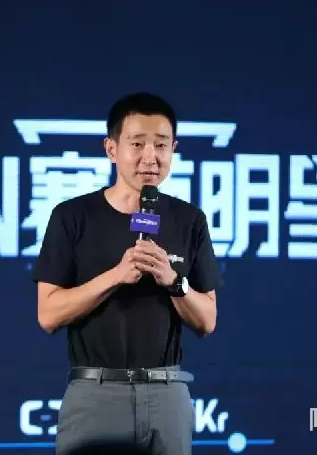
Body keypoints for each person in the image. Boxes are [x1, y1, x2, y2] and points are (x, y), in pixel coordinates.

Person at [32, 92, 222, 455]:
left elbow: (208, 320)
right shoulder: (73, 217)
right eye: (137, 144)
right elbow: (48, 314)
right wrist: (116, 276)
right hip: (96, 393)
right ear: (111, 148)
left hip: (167, 393)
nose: (150, 157)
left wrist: (173, 280)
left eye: (161, 145)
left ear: (173, 149)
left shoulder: (189, 220)